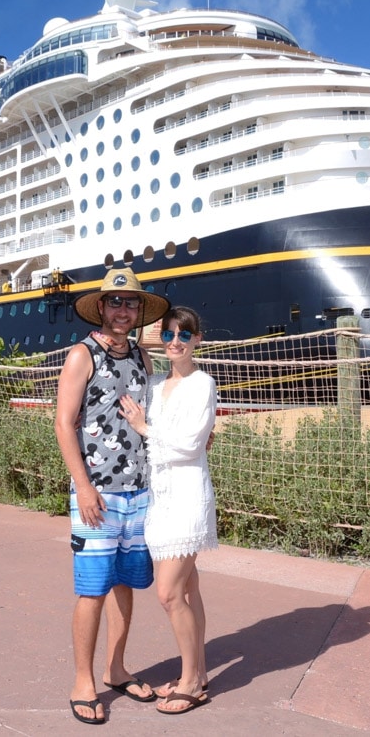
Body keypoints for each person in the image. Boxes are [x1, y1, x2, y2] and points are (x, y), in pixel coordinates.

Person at [54, 268, 170, 726]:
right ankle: (83, 680)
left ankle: (117, 667)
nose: (124, 310)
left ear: (140, 311)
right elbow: (64, 423)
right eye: (116, 302)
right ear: (101, 307)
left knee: (125, 584)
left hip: (139, 492)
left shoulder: (141, 355)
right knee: (92, 589)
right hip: (97, 493)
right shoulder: (82, 355)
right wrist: (82, 485)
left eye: (132, 304)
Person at [119, 305, 217, 715]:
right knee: (189, 589)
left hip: (188, 495)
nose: (175, 341)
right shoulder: (156, 384)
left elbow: (192, 445)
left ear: (197, 340)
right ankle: (199, 671)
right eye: (169, 334)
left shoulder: (202, 383)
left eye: (184, 334)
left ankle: (191, 682)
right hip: (159, 497)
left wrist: (146, 429)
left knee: (168, 593)